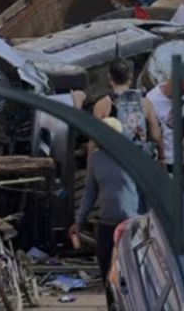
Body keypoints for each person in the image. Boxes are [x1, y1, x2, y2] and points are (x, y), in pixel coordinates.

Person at [71, 117, 146, 285]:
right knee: (105, 265)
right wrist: (79, 221)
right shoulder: (96, 159)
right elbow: (90, 192)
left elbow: (146, 190)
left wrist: (146, 219)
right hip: (106, 223)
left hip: (131, 224)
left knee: (133, 271)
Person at [90, 61, 163, 160]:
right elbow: (156, 136)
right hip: (139, 161)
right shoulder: (145, 103)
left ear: (109, 78)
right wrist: (163, 157)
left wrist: (90, 170)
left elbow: (95, 141)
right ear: (130, 78)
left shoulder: (101, 105)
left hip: (116, 162)